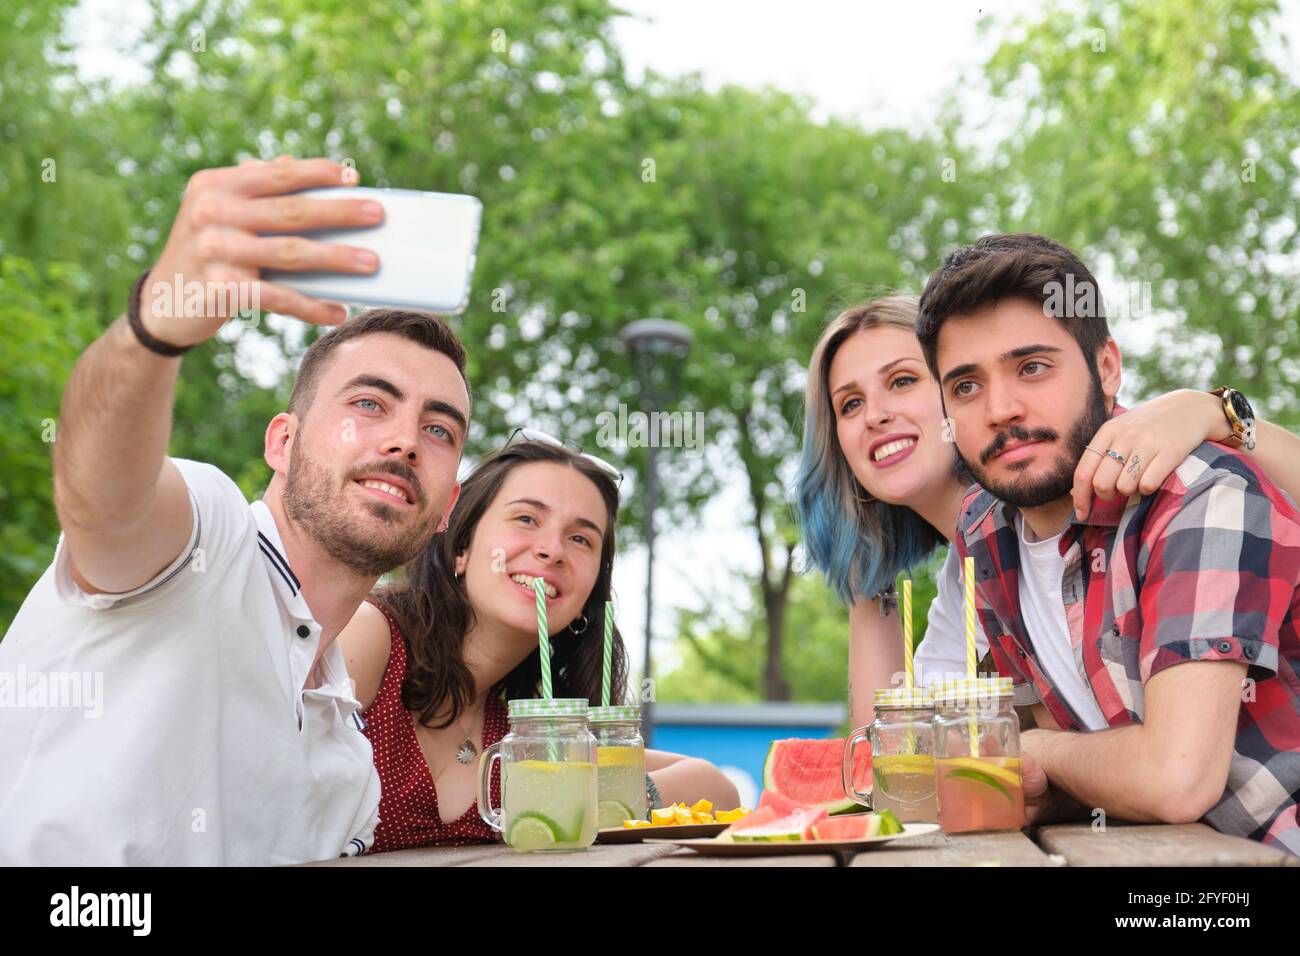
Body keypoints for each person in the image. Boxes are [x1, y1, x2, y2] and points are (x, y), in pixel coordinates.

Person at [0, 157, 472, 865]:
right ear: (282, 442)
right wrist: (156, 326)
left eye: (439, 430)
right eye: (369, 403)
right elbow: (101, 497)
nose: (406, 439)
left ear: (447, 510)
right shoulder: (211, 539)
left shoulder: (349, 763)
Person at [912, 232, 1300, 855]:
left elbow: (1176, 778)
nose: (1001, 407)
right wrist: (1048, 781)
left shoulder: (1198, 495)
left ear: (1107, 366)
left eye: (1031, 367)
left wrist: (1028, 748)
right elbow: (1091, 750)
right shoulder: (984, 533)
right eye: (966, 386)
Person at [798, 295, 1300, 735]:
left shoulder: (1124, 479)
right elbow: (886, 760)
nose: (875, 415)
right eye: (849, 405)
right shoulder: (972, 568)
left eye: (903, 381)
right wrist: (863, 563)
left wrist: (1216, 414)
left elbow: (1173, 772)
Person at [339, 435, 739, 850]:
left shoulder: (532, 735)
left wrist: (609, 801)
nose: (552, 551)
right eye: (527, 519)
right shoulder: (371, 638)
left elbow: (716, 787)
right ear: (462, 547)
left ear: (588, 595)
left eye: (581, 539)